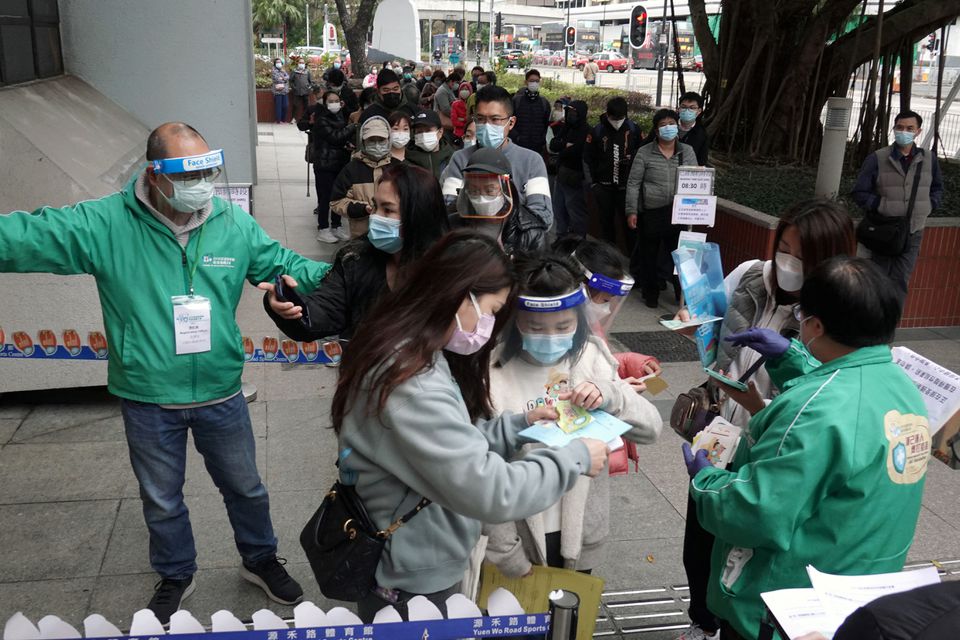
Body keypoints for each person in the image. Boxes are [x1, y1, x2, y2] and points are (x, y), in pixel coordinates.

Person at [0, 123, 332, 621]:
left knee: (246, 487)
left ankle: (260, 558)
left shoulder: (229, 223)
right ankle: (176, 572)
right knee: (161, 497)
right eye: (187, 173)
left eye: (207, 170)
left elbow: (282, 263)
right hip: (148, 395)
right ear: (155, 175)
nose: (201, 183)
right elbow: (27, 236)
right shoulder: (105, 224)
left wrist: (355, 273)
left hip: (220, 390)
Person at [331, 231, 612, 621]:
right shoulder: (412, 384)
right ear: (461, 295)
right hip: (412, 575)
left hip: (416, 550)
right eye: (493, 310)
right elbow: (491, 491)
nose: (491, 325)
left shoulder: (411, 351)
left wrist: (516, 425)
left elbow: (445, 444)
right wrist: (575, 458)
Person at [685, 256, 931, 640]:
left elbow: (757, 511)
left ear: (814, 325)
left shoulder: (813, 412)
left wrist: (708, 480)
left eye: (802, 315)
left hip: (788, 609)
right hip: (859, 594)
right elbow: (847, 395)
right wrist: (790, 357)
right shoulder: (904, 390)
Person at [672, 199, 856, 640]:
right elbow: (713, 323)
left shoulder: (831, 313)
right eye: (785, 247)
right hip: (720, 432)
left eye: (803, 256)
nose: (789, 262)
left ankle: (734, 622)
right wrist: (692, 325)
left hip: (769, 446)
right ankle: (704, 621)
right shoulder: (752, 275)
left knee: (741, 545)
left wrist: (760, 408)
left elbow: (826, 395)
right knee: (698, 540)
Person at [483, 254, 663, 578]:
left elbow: (651, 429)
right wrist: (507, 553)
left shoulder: (591, 356)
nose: (551, 337)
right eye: (536, 327)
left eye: (564, 326)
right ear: (513, 320)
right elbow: (479, 469)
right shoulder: (491, 370)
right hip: (516, 541)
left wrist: (610, 393)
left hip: (580, 536)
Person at [265, 163, 449, 343]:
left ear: (419, 215)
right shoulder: (356, 260)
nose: (376, 217)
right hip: (366, 371)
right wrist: (287, 304)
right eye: (375, 207)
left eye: (388, 209)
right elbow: (322, 314)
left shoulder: (450, 271)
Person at [851, 110, 943, 303]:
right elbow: (860, 192)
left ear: (918, 131)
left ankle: (888, 330)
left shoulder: (929, 159)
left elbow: (937, 188)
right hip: (883, 231)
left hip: (912, 232)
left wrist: (928, 206)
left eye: (910, 128)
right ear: (894, 129)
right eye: (900, 127)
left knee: (900, 283)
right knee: (875, 282)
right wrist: (881, 205)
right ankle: (870, 328)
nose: (904, 132)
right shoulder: (877, 158)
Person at [442, 85, 553, 230]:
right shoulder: (460, 159)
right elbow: (448, 207)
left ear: (511, 123)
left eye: (495, 119)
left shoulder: (531, 161)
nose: (487, 125)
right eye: (480, 119)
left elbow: (542, 216)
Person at [625, 108, 696, 307]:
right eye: (663, 125)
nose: (668, 128)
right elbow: (633, 183)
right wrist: (631, 211)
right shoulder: (645, 152)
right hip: (652, 212)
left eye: (671, 124)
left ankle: (681, 295)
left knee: (680, 256)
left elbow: (697, 179)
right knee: (649, 256)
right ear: (656, 131)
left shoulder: (686, 152)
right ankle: (651, 294)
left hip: (679, 211)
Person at [449, 147, 548, 254]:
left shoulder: (529, 232)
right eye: (474, 191)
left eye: (490, 190)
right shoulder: (452, 226)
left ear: (506, 189)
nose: (481, 198)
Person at [299, 90, 357, 244]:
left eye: (337, 100)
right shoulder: (321, 119)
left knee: (338, 196)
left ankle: (336, 226)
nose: (334, 103)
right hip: (324, 165)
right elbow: (335, 137)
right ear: (325, 103)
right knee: (325, 198)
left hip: (339, 163)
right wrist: (353, 127)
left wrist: (348, 143)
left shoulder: (339, 116)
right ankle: (323, 228)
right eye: (331, 101)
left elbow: (340, 138)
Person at [584, 97, 643, 247]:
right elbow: (587, 158)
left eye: (620, 118)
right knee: (606, 224)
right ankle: (608, 258)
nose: (617, 121)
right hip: (603, 187)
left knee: (630, 226)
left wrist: (632, 159)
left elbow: (642, 154)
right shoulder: (597, 130)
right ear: (607, 114)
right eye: (614, 118)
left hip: (626, 188)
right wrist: (593, 184)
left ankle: (632, 262)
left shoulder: (634, 129)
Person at [330, 115, 402, 238]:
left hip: (394, 234)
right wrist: (361, 209)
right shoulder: (352, 169)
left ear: (389, 140)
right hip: (361, 235)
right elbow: (336, 201)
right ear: (363, 142)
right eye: (372, 140)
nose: (377, 145)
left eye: (381, 140)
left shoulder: (399, 168)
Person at [549, 100, 590, 237]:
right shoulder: (567, 127)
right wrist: (565, 145)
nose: (570, 115)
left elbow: (577, 150)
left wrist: (563, 147)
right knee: (559, 210)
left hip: (575, 177)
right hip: (560, 175)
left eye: (574, 112)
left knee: (575, 212)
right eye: (569, 111)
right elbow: (553, 145)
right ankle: (561, 238)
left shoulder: (585, 130)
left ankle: (577, 242)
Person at [406, 109, 456, 179]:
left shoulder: (453, 158)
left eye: (428, 130)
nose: (423, 134)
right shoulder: (407, 163)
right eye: (419, 131)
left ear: (440, 132)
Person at [510, 69, 551, 152]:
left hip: (537, 146)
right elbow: (509, 120)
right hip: (518, 145)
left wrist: (542, 139)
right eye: (532, 81)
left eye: (537, 81)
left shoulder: (544, 103)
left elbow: (546, 124)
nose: (534, 83)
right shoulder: (516, 101)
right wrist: (516, 137)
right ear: (526, 82)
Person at [676, 91, 709, 166]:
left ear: (699, 111)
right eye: (684, 107)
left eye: (692, 108)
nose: (687, 110)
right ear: (678, 109)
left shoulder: (702, 134)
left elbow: (701, 161)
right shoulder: (666, 126)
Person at [289, 57, 315, 123]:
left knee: (306, 106)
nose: (301, 64)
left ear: (304, 64)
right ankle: (294, 118)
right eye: (300, 63)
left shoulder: (307, 72)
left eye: (302, 63)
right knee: (295, 105)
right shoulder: (294, 71)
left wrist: (309, 87)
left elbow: (311, 81)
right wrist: (294, 87)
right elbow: (290, 81)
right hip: (297, 92)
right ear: (297, 63)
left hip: (306, 92)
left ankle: (305, 119)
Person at [271, 58, 290, 124]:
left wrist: (283, 78)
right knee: (278, 106)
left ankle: (283, 120)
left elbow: (288, 77)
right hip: (277, 91)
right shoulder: (274, 71)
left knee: (286, 105)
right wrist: (284, 78)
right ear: (275, 64)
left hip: (285, 91)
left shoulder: (283, 70)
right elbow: (277, 79)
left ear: (282, 63)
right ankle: (279, 120)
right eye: (277, 62)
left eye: (279, 62)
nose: (278, 63)